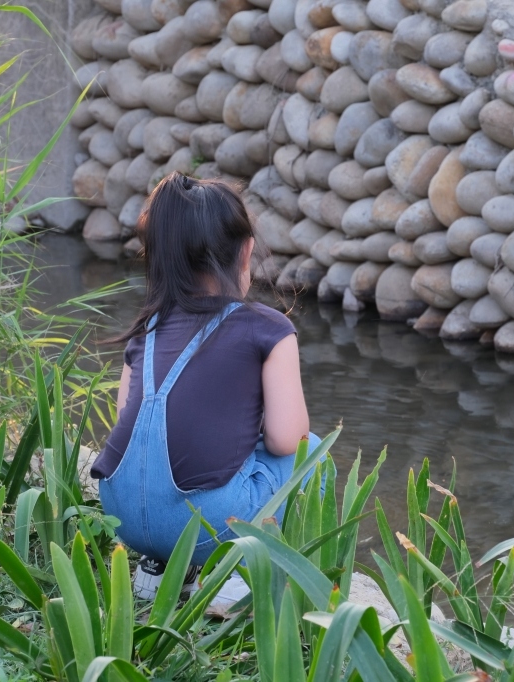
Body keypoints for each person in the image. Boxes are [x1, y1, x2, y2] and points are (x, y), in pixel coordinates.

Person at [91, 171, 321, 603]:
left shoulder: (147, 327)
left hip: (119, 511)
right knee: (315, 455)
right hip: (201, 527)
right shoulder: (268, 328)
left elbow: (130, 417)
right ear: (246, 251)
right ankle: (246, 574)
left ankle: (156, 569)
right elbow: (289, 438)